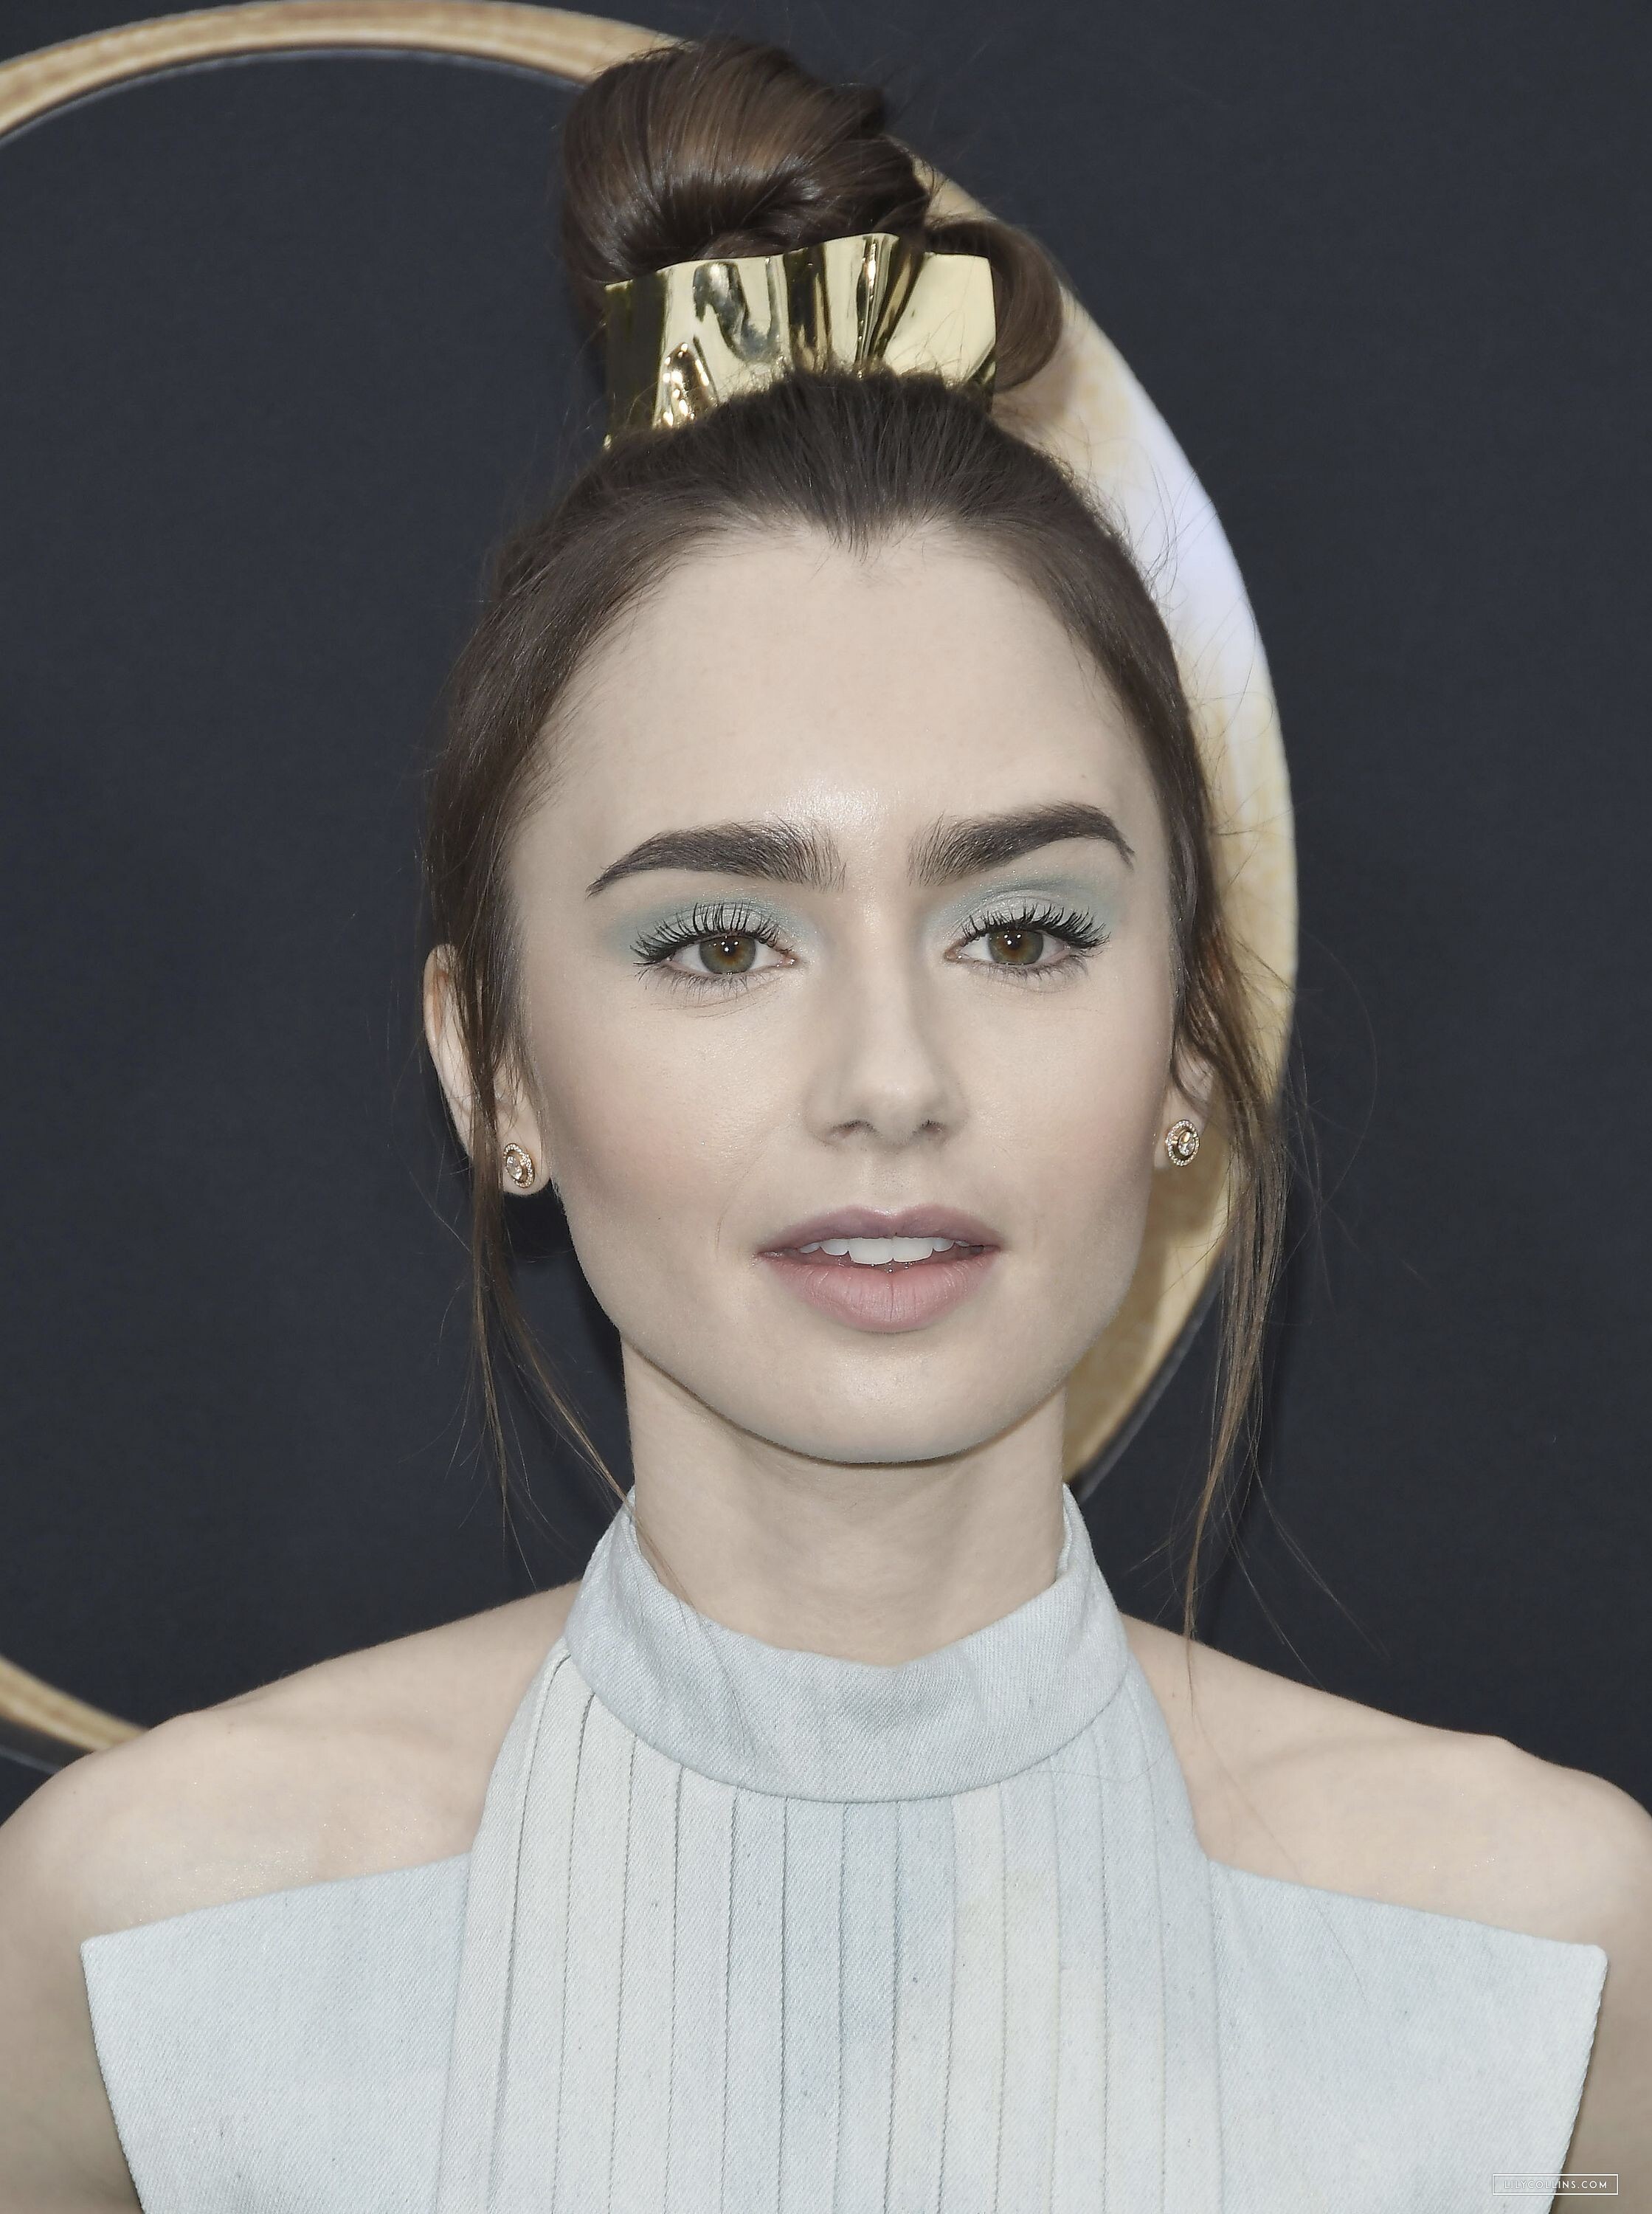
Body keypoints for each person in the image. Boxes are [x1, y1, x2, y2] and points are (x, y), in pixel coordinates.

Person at [1, 34, 1647, 2214]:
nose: (891, 1076)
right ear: (494, 1067)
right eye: (718, 941)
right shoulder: (137, 1955)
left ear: (1185, 1045)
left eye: (1025, 931)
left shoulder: (1542, 1976)